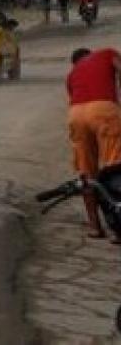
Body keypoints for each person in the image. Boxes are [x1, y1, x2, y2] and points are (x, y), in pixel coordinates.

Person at [66, 46, 121, 240]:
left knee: (87, 173)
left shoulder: (72, 74)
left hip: (76, 114)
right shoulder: (107, 53)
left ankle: (95, 226)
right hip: (103, 110)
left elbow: (73, 98)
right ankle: (118, 229)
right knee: (114, 167)